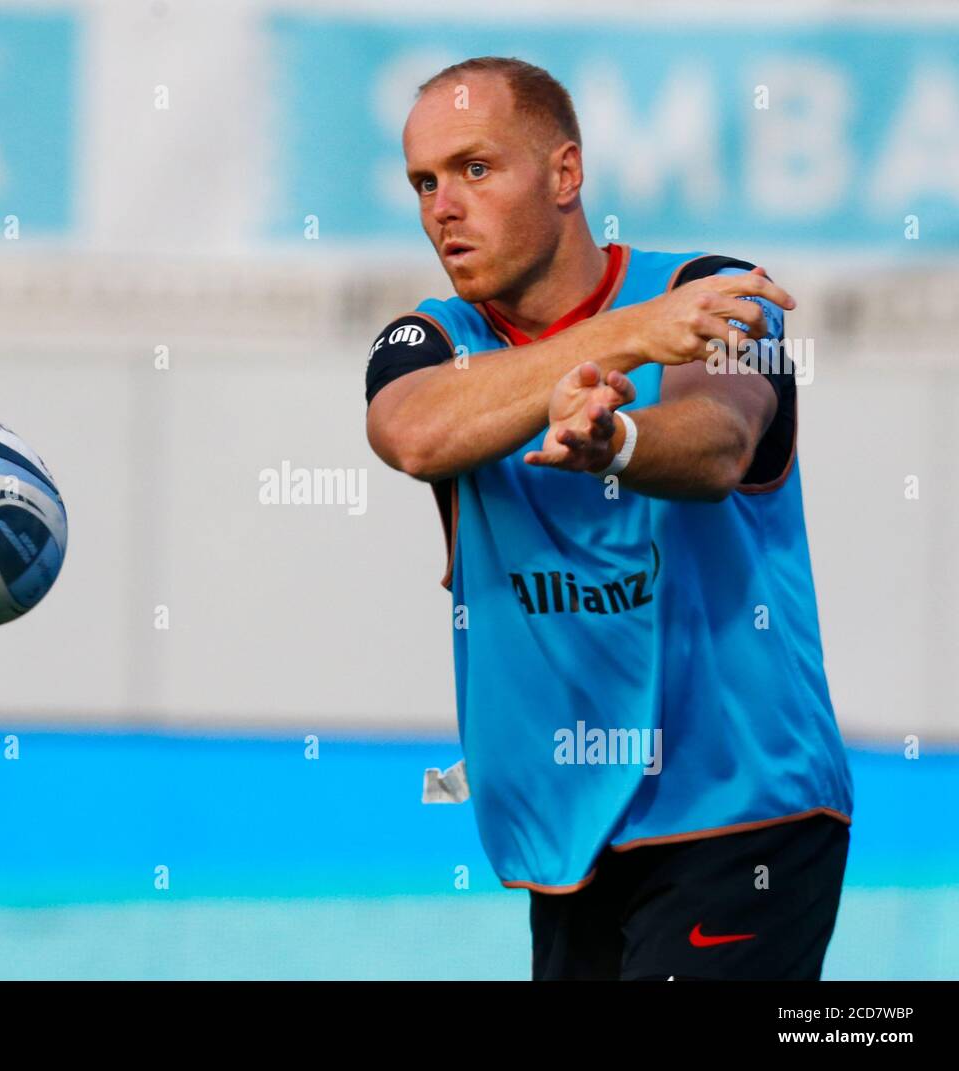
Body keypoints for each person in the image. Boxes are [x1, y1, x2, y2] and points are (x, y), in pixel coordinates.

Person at [365, 56, 852, 980]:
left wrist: (617, 440)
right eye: (424, 182)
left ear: (565, 174)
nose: (443, 207)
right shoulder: (431, 341)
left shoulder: (713, 289)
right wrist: (624, 336)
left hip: (744, 809)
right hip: (568, 837)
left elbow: (718, 442)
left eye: (475, 168)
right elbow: (417, 434)